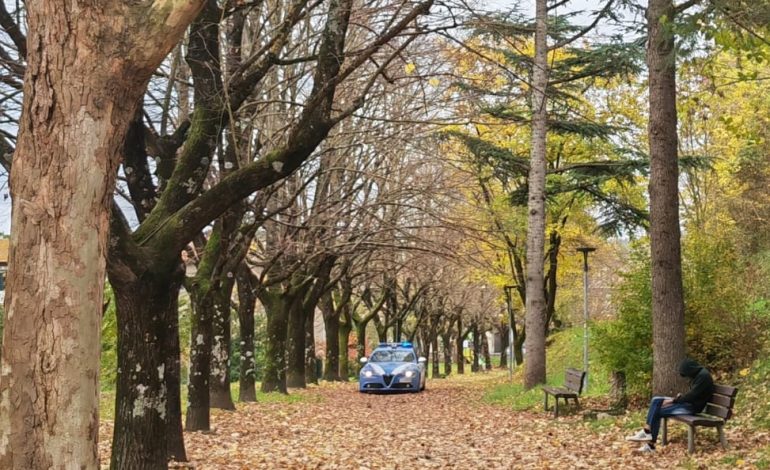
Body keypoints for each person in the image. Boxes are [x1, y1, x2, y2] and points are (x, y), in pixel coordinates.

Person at [625, 358, 715, 453]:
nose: (687, 377)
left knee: (657, 411)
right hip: (688, 403)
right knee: (656, 400)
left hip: (692, 407)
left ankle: (649, 441)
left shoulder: (703, 377)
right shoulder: (698, 374)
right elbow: (692, 394)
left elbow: (692, 396)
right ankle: (647, 433)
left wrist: (674, 401)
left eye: (687, 374)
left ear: (690, 369)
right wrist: (678, 399)